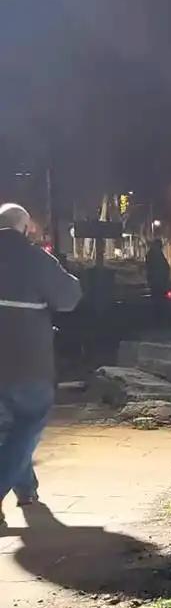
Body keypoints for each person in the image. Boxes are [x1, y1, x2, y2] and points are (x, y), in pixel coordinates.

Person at [0, 203, 81, 528]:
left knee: (12, 428)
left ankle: (26, 488)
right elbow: (69, 296)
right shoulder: (34, 259)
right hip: (25, 362)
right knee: (28, 424)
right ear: (26, 228)